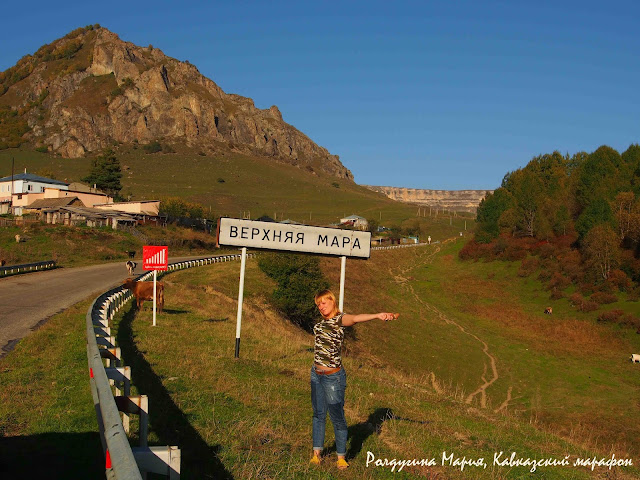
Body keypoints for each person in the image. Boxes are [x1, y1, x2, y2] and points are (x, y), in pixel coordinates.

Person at [310, 289, 398, 469]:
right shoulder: (320, 324)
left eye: (324, 302)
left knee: (337, 417)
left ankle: (341, 456)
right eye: (318, 304)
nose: (321, 306)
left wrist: (377, 315)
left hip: (333, 377)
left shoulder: (339, 320)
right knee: (318, 414)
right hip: (316, 374)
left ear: (332, 301)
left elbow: (356, 318)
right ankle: (316, 454)